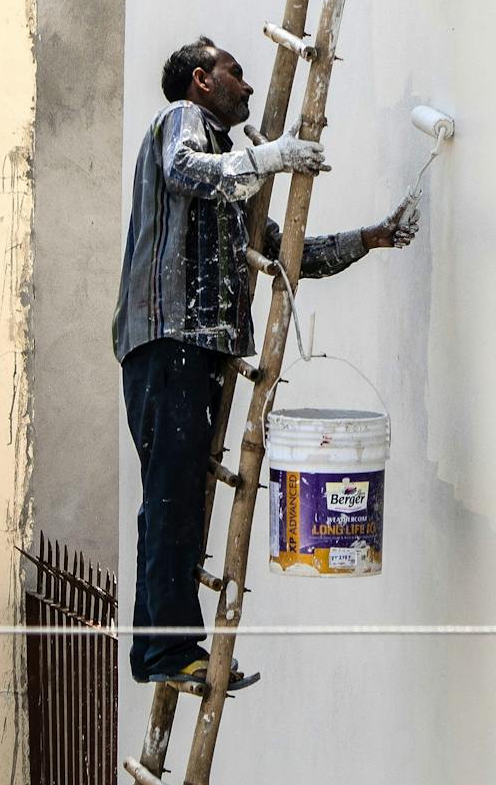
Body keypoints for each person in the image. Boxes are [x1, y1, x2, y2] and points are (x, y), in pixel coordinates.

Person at [112, 35, 417, 693]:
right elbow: (182, 170)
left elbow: (286, 256)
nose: (246, 87)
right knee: (170, 499)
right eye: (233, 73)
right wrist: (271, 156)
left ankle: (175, 649)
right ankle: (164, 653)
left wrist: (370, 238)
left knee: (186, 500)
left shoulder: (233, 171)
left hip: (203, 347)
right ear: (201, 80)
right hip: (168, 338)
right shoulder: (181, 123)